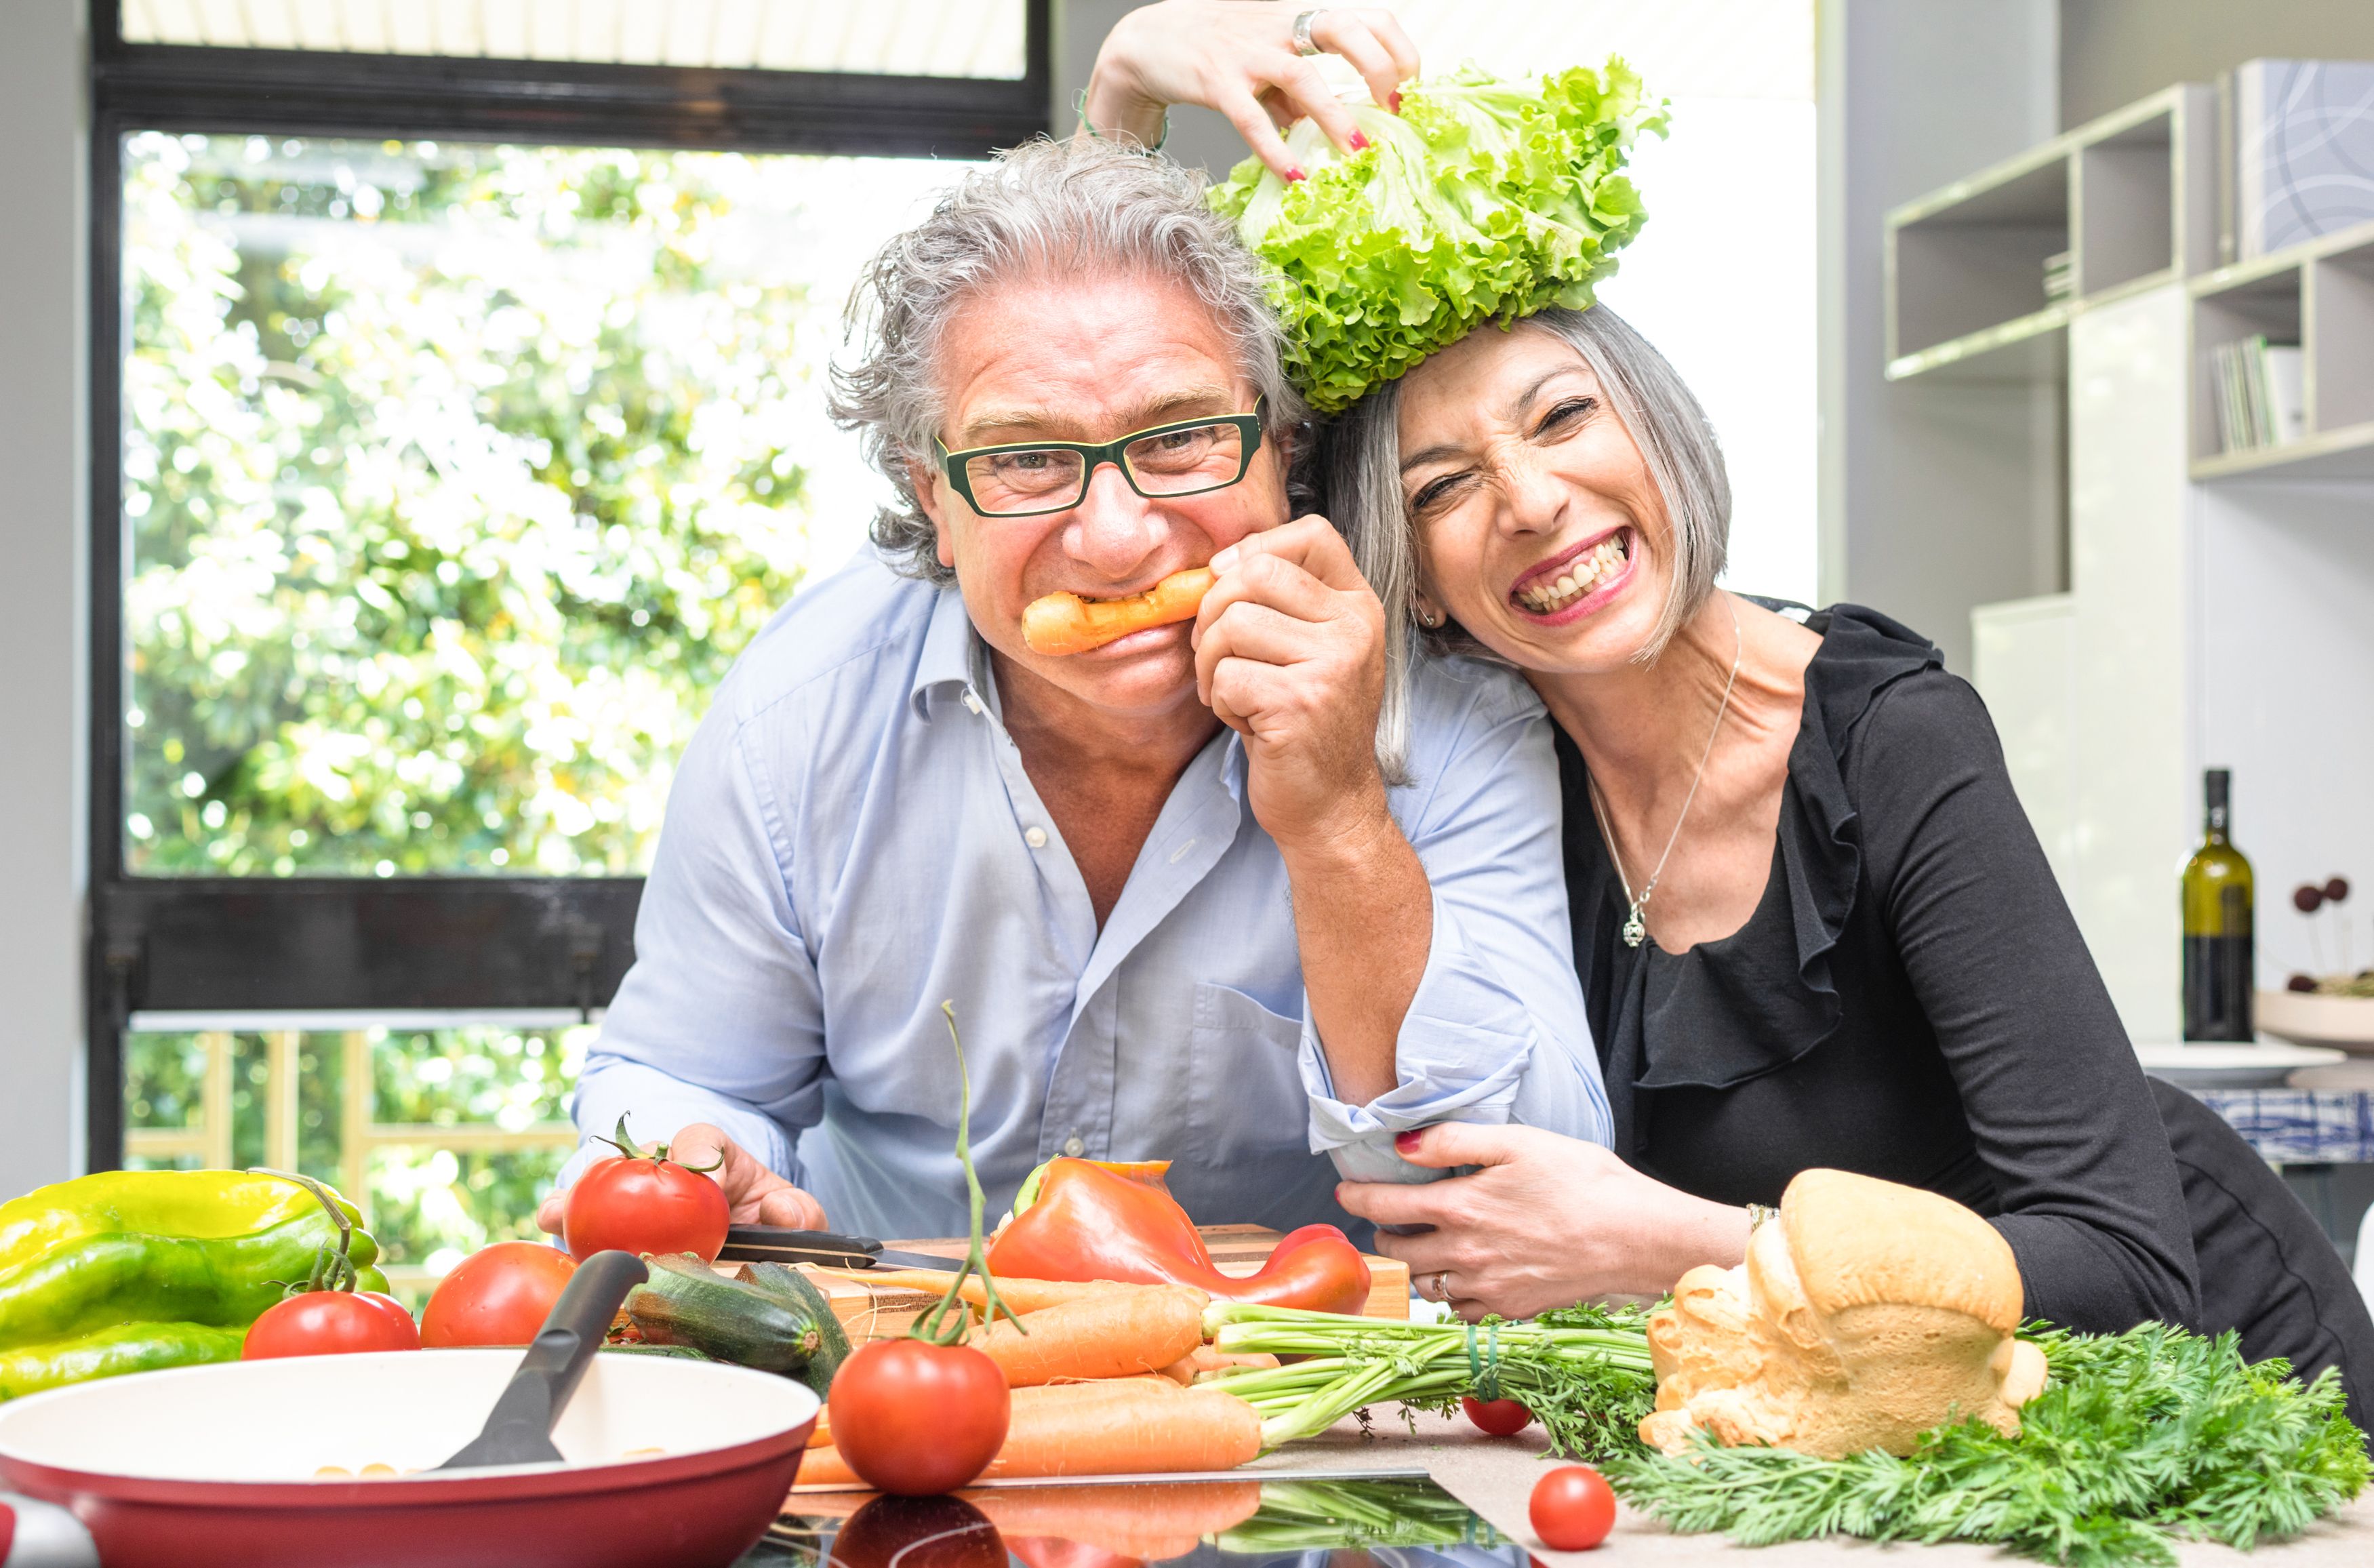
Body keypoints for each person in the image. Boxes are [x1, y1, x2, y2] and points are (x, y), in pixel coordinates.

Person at [1089, 1, 2374, 1424]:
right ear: (1420, 591)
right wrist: (1124, 86)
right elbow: (1132, 455)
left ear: (1658, 429)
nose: (1525, 499)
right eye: (1439, 487)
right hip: (1884, 1435)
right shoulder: (1488, 782)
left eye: (1563, 415)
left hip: (2206, 1399)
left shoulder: (1887, 734)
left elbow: (2126, 1266)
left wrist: (1668, 1239)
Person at [534, 135, 1608, 1247]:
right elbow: (686, 1075)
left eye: (1184, 438)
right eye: (1025, 461)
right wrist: (695, 1155)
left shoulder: (1454, 718)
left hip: (1292, 1382)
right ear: (933, 501)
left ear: (1279, 451)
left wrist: (1339, 819)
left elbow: (1530, 1191)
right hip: (893, 1362)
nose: (1113, 539)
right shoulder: (794, 718)